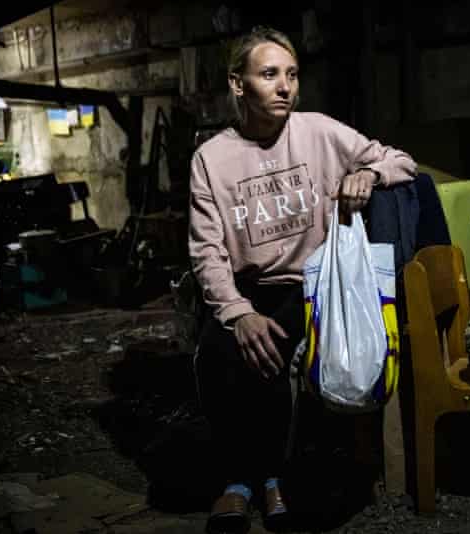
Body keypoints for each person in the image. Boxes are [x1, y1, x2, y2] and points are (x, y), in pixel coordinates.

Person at [188, 26, 416, 534]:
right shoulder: (211, 159)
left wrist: (369, 175)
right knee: (220, 351)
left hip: (313, 282)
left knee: (271, 348)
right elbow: (206, 252)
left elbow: (401, 161)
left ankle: (266, 480)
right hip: (248, 288)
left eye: (292, 75)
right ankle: (242, 480)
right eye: (269, 74)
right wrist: (237, 312)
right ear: (238, 84)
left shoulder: (317, 131)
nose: (285, 86)